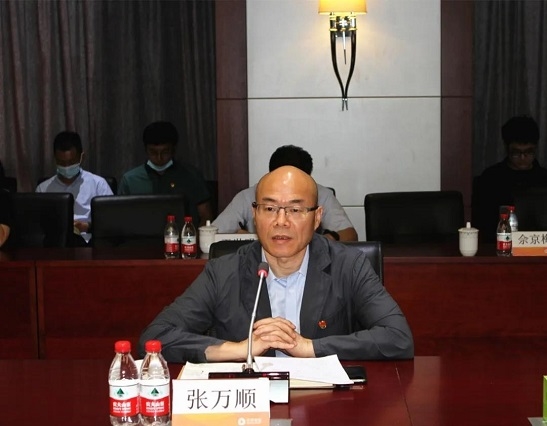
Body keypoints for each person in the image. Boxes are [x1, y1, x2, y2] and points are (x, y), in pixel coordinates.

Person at [139, 165, 414, 363]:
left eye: (295, 210)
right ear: (254, 215)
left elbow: (398, 339)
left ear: (317, 218)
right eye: (269, 209)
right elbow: (155, 338)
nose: (281, 221)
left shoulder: (348, 265)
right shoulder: (223, 272)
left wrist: (310, 348)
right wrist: (239, 349)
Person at [213, 145, 358, 241]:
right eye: (270, 208)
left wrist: (319, 241)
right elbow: (213, 233)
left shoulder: (322, 195)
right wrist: (250, 238)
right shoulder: (247, 196)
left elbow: (350, 234)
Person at [118, 121, 212, 226]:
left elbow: (206, 217)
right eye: (153, 152)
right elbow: (120, 219)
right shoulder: (130, 180)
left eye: (165, 152)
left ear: (174, 150)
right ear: (145, 150)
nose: (159, 158)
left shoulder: (192, 176)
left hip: (184, 235)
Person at [472, 115, 547, 241]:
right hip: (499, 245)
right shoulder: (490, 179)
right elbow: (482, 226)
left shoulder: (544, 179)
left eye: (528, 152)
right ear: (507, 149)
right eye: (516, 153)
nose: (523, 158)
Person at [36, 131, 113, 243]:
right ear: (55, 159)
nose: (66, 167)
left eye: (71, 162)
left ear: (82, 157)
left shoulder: (98, 184)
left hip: (90, 242)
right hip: (56, 244)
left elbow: (111, 222)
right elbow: (37, 226)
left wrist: (88, 226)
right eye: (61, 162)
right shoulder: (43, 189)